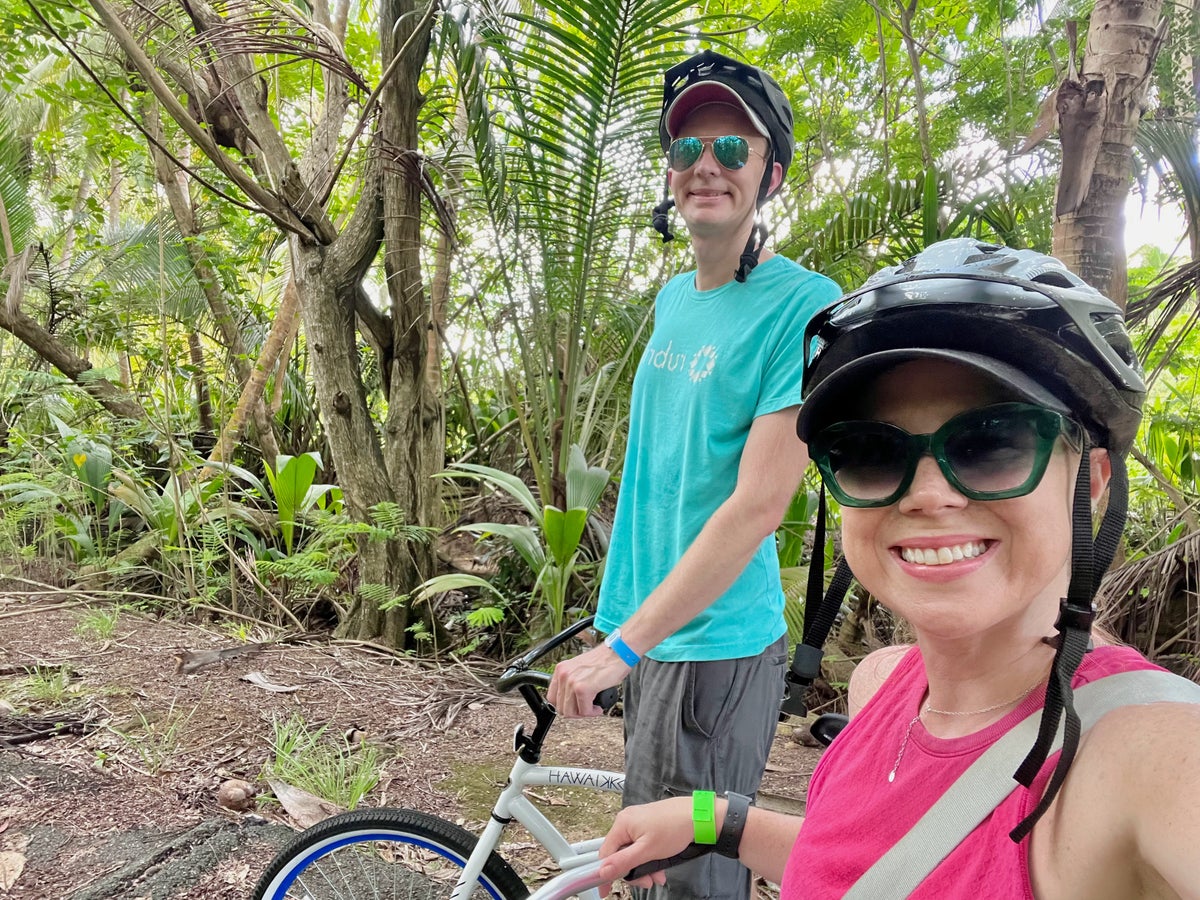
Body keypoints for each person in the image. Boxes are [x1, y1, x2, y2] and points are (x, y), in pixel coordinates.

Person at [593, 239, 1200, 899]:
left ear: (1090, 484)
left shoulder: (1144, 750)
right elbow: (884, 869)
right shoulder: (883, 685)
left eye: (992, 441)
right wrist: (714, 819)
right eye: (871, 451)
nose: (927, 493)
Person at [546, 49, 842, 899]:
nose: (705, 164)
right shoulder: (677, 298)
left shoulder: (801, 305)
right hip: (650, 635)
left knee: (692, 888)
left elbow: (756, 506)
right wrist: (620, 633)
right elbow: (662, 478)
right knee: (647, 871)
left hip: (711, 648)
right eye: (685, 149)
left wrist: (626, 647)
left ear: (770, 173)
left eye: (731, 147)